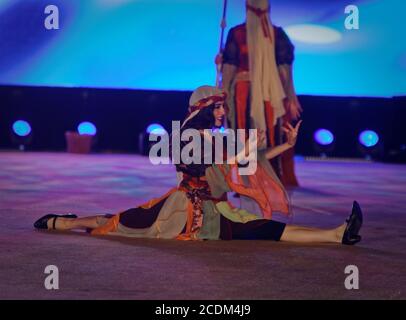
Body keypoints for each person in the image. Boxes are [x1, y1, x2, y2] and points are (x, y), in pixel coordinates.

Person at [34, 86, 362, 245]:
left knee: (268, 230)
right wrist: (245, 147)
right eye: (217, 107)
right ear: (201, 107)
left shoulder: (216, 136)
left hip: (220, 209)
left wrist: (285, 145)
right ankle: (61, 223)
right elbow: (216, 166)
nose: (222, 112)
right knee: (118, 223)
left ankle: (336, 234)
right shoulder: (186, 136)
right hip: (184, 209)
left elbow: (250, 160)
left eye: (222, 107)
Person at [221, 0, 302, 187]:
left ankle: (268, 177)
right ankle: (246, 180)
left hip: (270, 95)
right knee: (244, 135)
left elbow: (285, 69)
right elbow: (229, 66)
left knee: (270, 135)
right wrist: (222, 94)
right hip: (243, 94)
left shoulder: (276, 35)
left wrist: (290, 95)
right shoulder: (238, 33)